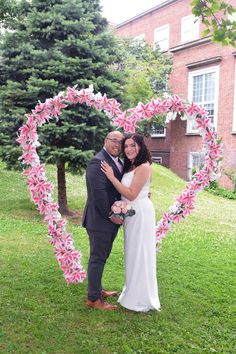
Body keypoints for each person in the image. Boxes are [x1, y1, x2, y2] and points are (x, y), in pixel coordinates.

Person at [101, 133, 160, 312]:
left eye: (132, 145)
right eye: (126, 146)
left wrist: (111, 176)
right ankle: (131, 293)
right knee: (132, 253)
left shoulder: (143, 166)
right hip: (132, 214)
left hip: (140, 214)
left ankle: (140, 298)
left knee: (141, 253)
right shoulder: (131, 165)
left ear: (140, 146)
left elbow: (132, 194)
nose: (128, 149)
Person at [82, 130, 124, 310]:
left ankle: (97, 289)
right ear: (105, 140)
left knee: (102, 256)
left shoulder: (118, 161)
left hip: (110, 220)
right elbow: (98, 195)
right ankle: (93, 299)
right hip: (100, 221)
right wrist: (112, 216)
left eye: (121, 142)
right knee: (97, 258)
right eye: (114, 141)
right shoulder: (97, 162)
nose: (117, 145)